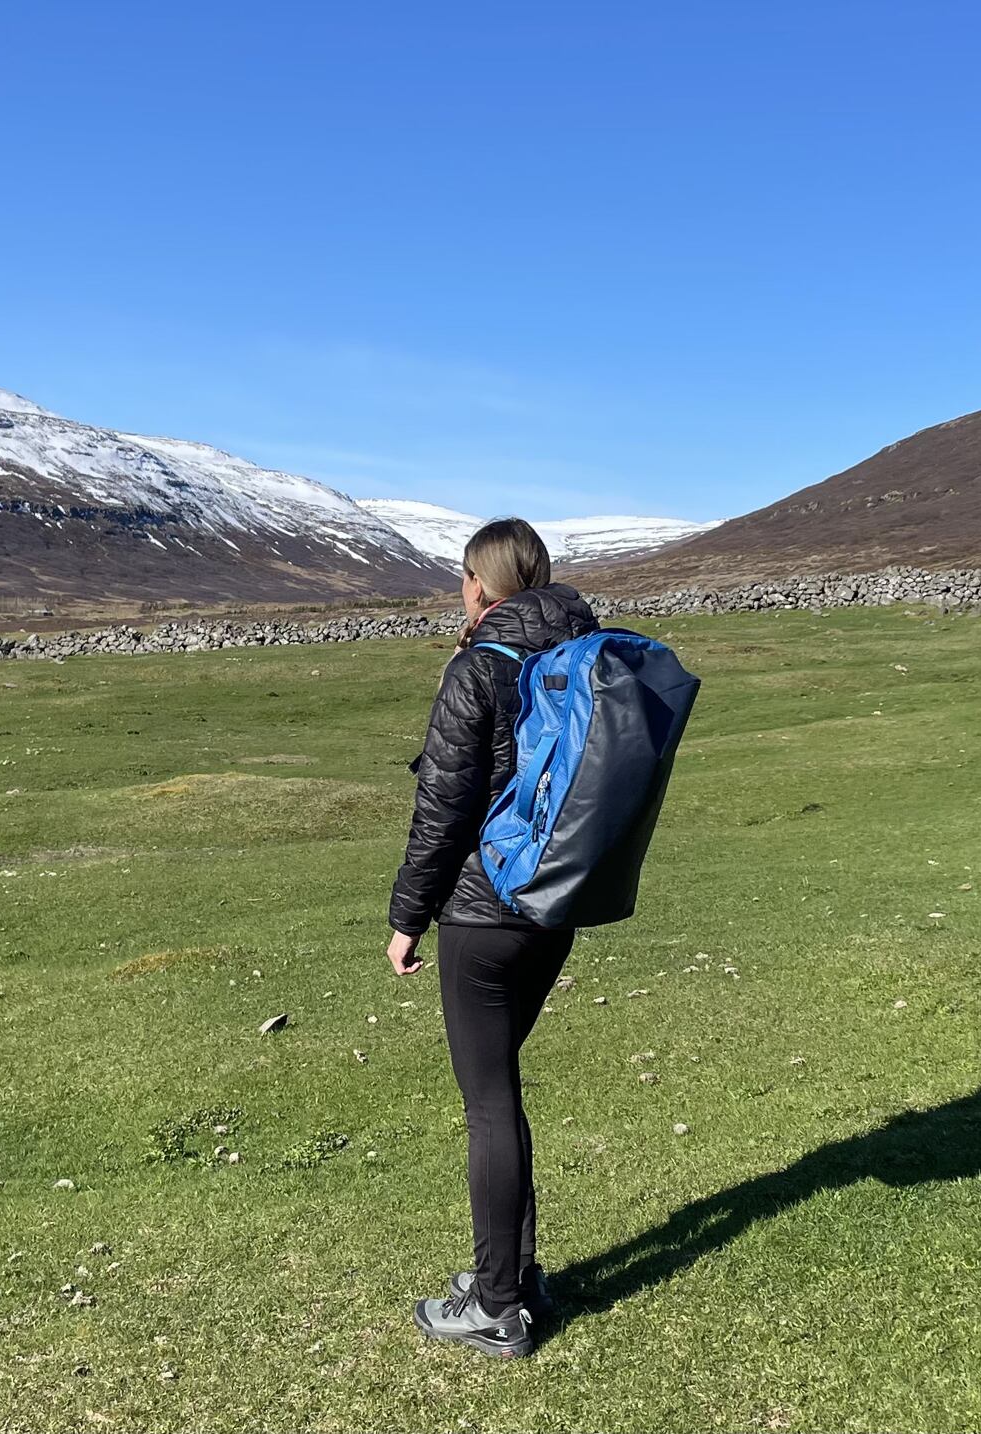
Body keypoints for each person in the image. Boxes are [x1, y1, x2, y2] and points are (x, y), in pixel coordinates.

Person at [387, 516, 598, 1359]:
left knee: (488, 1102)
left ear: (479, 584)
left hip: (484, 911)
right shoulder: (585, 657)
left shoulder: (478, 666)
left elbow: (443, 809)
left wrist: (408, 917)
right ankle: (516, 1275)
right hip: (557, 905)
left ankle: (497, 1306)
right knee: (501, 1091)